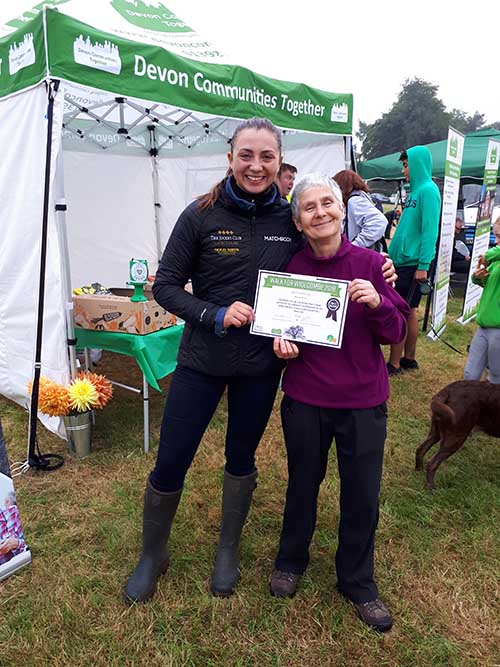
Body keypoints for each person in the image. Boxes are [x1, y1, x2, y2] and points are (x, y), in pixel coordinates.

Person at [124, 117, 396, 605]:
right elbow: (163, 285)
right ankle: (152, 554)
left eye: (266, 156)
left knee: (241, 457)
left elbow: (323, 258)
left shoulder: (288, 220)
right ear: (230, 158)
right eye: (245, 155)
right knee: (171, 460)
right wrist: (213, 312)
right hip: (201, 361)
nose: (255, 165)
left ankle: (227, 550)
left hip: (260, 367)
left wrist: (380, 267)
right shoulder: (200, 215)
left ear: (279, 161)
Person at [269, 173, 409, 632]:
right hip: (307, 399)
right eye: (309, 207)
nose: (321, 212)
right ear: (299, 220)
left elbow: (396, 332)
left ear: (342, 209)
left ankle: (357, 581)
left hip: (363, 402)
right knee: (302, 486)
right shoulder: (290, 271)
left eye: (327, 203)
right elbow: (282, 330)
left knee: (362, 494)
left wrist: (377, 304)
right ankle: (291, 560)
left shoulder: (372, 263)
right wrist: (281, 344)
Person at [387, 147, 441, 375]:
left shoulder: (428, 191)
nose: (404, 170)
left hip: (413, 264)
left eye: (407, 165)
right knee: (408, 311)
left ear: (418, 164)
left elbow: (430, 231)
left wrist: (423, 265)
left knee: (401, 311)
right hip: (403, 261)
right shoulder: (415, 193)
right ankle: (408, 359)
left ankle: (395, 363)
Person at [463, 216, 500, 383]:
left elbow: (491, 254)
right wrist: (479, 278)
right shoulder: (496, 262)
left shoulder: (495, 255)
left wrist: (487, 254)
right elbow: (490, 283)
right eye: (496, 237)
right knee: (470, 375)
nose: (497, 242)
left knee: (496, 378)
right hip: (484, 325)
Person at [333, 170, 388, 251]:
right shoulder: (360, 198)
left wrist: (355, 245)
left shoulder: (354, 201)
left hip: (361, 255)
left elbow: (379, 222)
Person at [0, 491, 27, 567]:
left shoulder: (12, 513)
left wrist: (16, 543)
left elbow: (33, 548)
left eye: (7, 502)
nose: (5, 504)